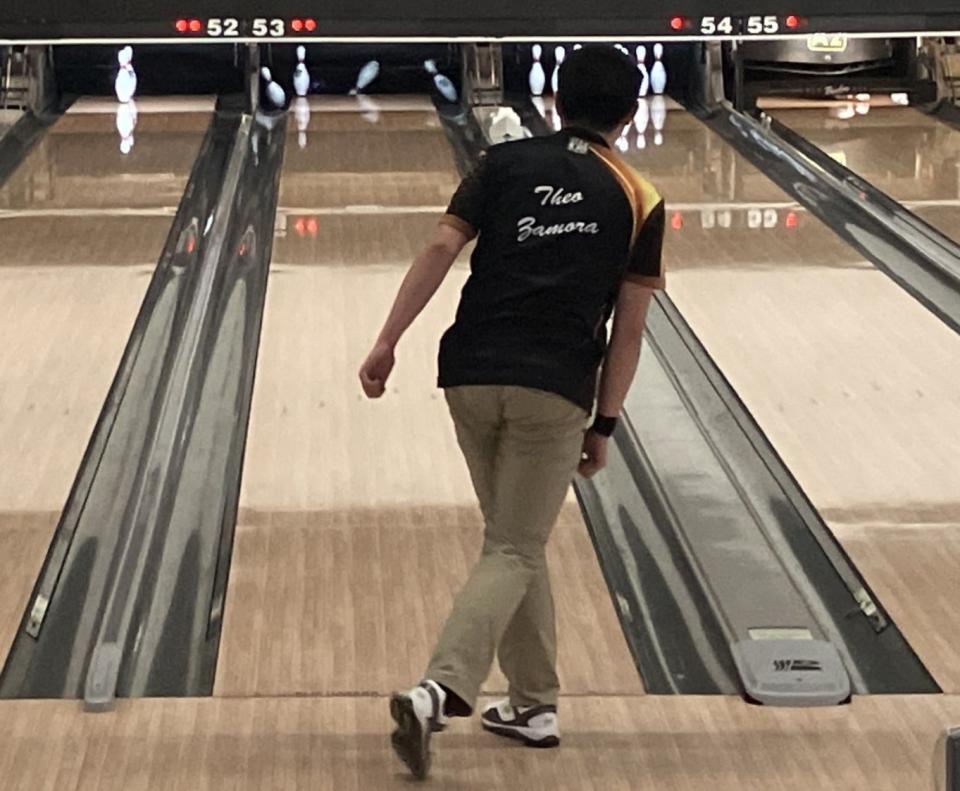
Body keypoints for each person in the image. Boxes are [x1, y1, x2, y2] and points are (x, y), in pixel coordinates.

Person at [358, 44, 665, 780]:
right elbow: (630, 326)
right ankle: (441, 690)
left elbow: (440, 244)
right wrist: (606, 422)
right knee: (516, 546)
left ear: (555, 99)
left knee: (512, 536)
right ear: (630, 112)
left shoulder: (503, 163)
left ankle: (534, 703)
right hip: (552, 388)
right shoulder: (640, 195)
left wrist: (388, 338)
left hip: (468, 374)